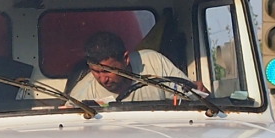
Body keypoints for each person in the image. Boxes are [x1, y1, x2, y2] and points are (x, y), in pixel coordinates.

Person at [66, 31, 196, 104]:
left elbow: (192, 99)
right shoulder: (83, 93)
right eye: (96, 71)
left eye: (108, 71)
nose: (103, 79)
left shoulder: (154, 62)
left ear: (126, 59)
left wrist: (196, 91)